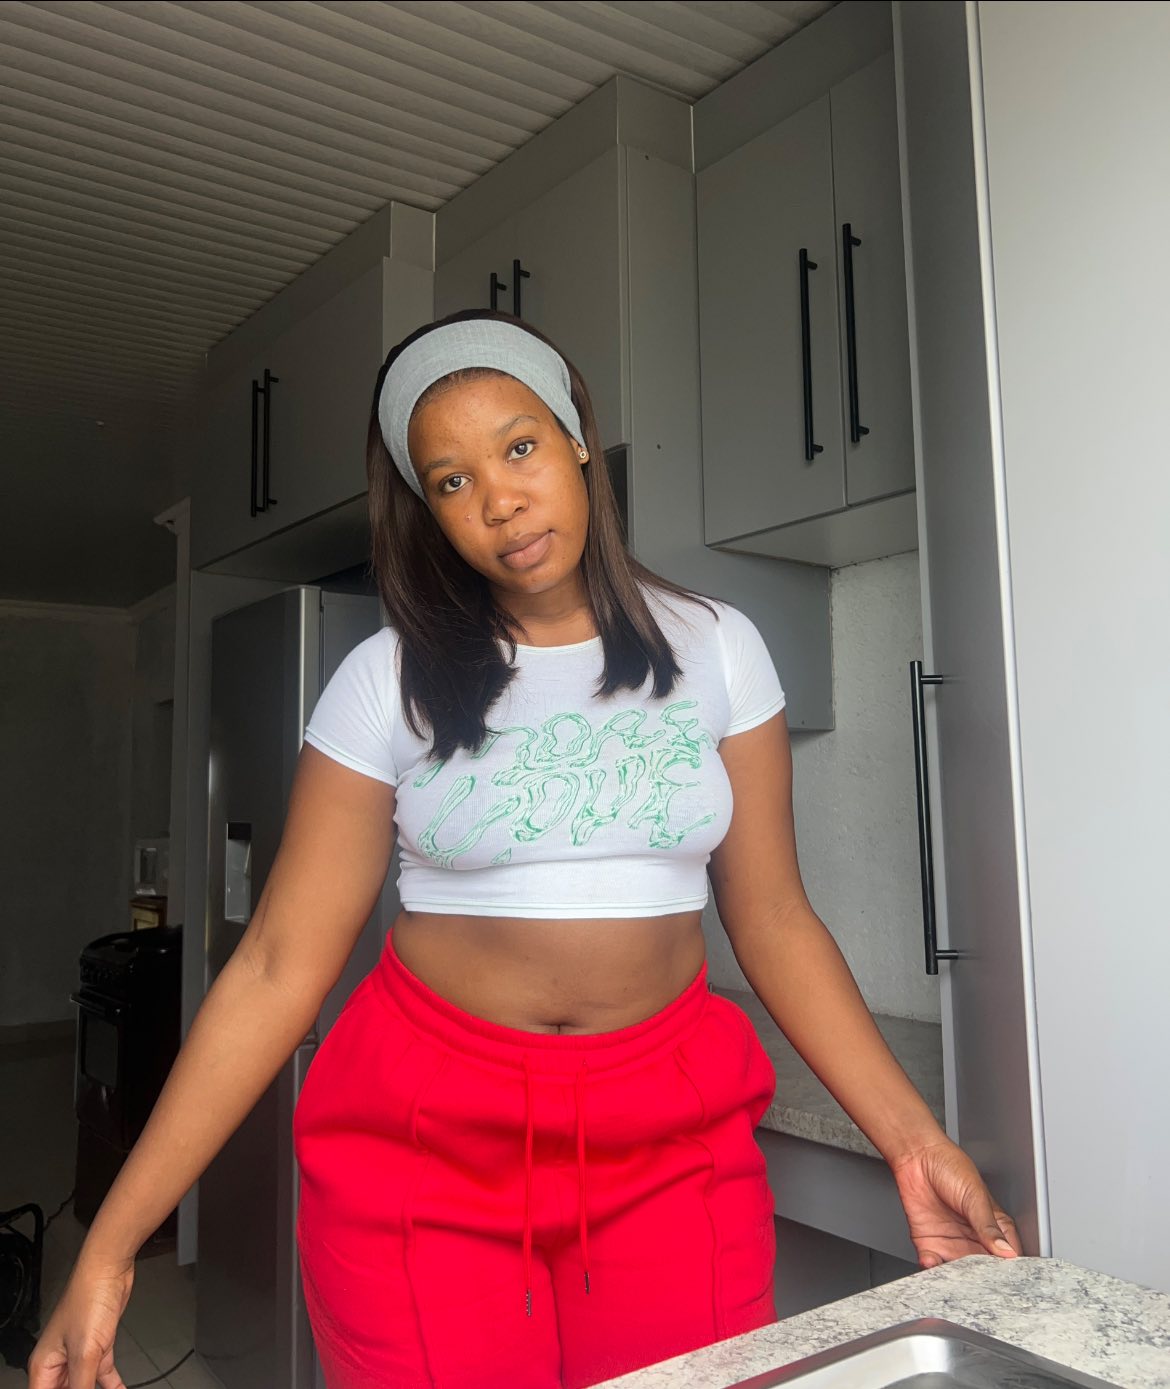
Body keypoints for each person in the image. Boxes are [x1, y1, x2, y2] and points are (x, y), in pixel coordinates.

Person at [29, 310, 1020, 1389]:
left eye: (519, 446)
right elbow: (273, 965)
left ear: (577, 441)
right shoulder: (384, 680)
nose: (498, 501)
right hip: (423, 1140)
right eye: (451, 481)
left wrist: (915, 1143)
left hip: (666, 1133)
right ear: (427, 510)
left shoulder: (719, 648)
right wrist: (113, 1242)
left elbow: (775, 916)